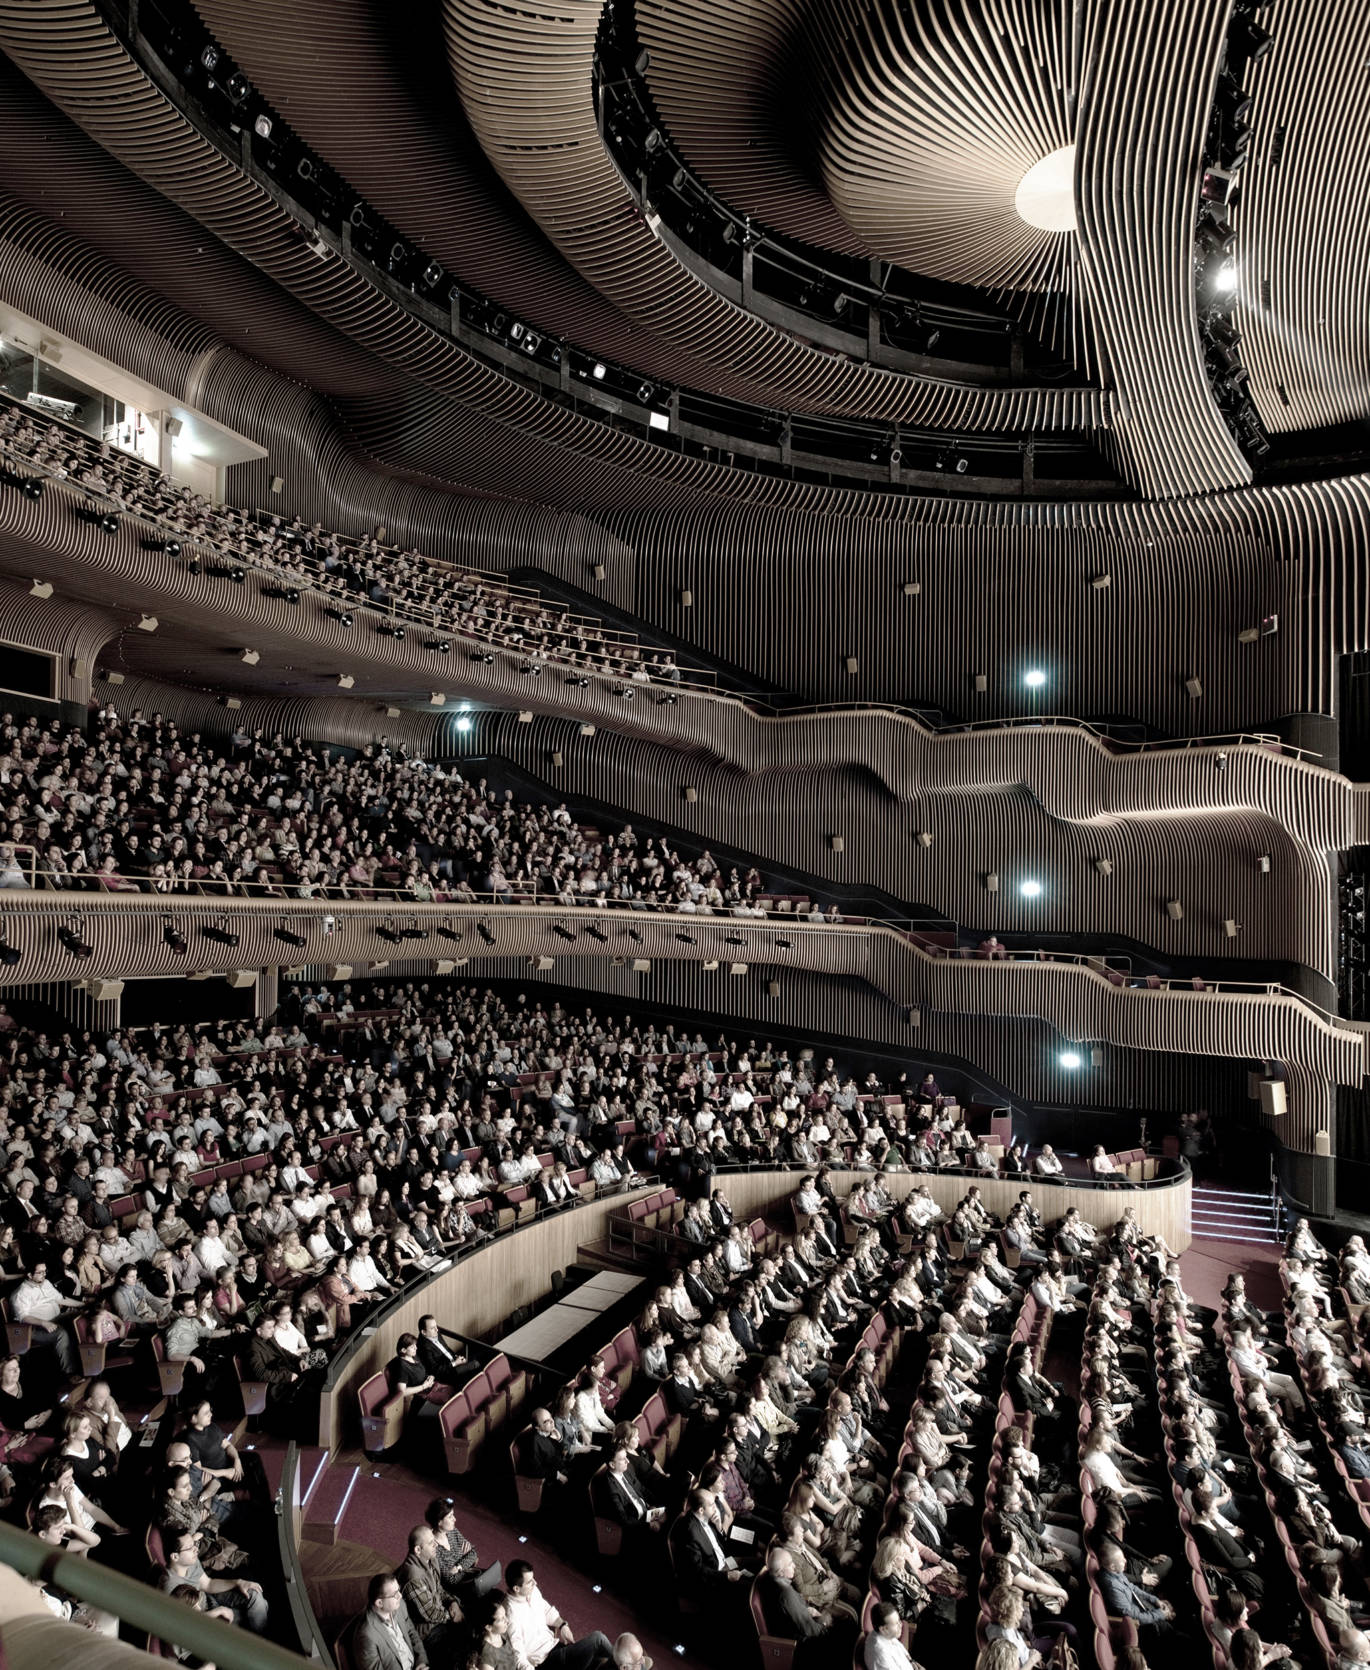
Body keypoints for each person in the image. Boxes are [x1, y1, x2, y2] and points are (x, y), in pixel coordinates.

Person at [502, 1559, 613, 1670]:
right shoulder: (510, 1614)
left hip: (555, 1646)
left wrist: (562, 1625)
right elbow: (517, 1654)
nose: (535, 1583)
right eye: (530, 1582)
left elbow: (546, 1610)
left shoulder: (532, 1591)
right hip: (546, 1661)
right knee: (598, 1639)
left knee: (600, 1660)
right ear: (516, 1588)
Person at [355, 1571, 430, 1670]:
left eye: (398, 1590)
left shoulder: (400, 1605)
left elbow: (412, 1634)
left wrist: (421, 1662)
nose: (400, 1596)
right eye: (395, 1594)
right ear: (380, 1603)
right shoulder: (366, 1634)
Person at [864, 1601, 923, 1670]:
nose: (901, 1625)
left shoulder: (886, 1634)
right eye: (896, 1623)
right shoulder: (881, 1653)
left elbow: (899, 1645)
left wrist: (911, 1661)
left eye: (899, 1621)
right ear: (883, 1629)